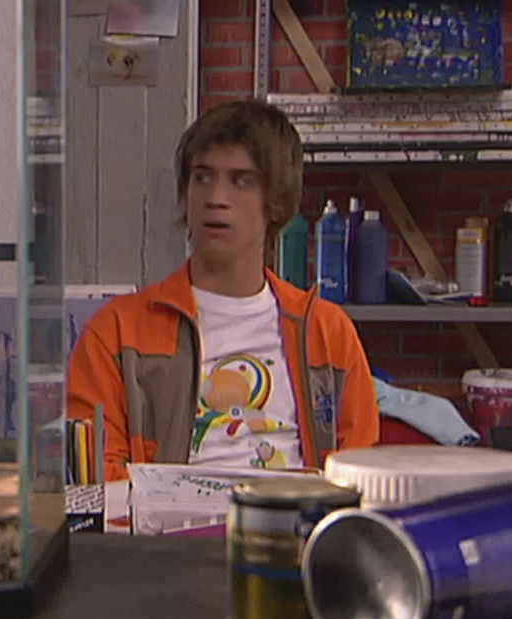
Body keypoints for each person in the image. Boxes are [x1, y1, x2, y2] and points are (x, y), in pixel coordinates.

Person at [67, 99, 379, 482]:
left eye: (241, 180)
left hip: (296, 516)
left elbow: (358, 474)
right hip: (163, 520)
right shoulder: (117, 331)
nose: (215, 198)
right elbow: (96, 476)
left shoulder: (327, 332)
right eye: (202, 177)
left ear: (276, 201)